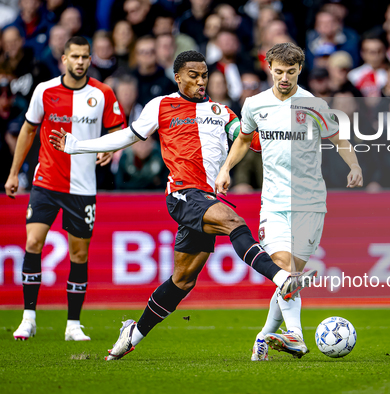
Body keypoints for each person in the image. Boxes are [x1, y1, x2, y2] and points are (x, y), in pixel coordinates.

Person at [48, 50, 315, 361]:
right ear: (178, 77)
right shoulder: (160, 106)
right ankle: (282, 279)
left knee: (183, 280)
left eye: (204, 75)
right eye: (193, 75)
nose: (201, 81)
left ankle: (132, 335)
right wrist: (77, 146)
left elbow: (250, 141)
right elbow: (125, 137)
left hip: (209, 198)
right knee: (235, 223)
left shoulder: (221, 111)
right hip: (183, 194)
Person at [215, 42, 363, 360]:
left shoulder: (312, 104)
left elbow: (338, 138)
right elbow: (243, 139)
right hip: (273, 202)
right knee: (284, 269)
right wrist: (226, 168)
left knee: (291, 275)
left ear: (299, 70)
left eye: (291, 72)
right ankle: (295, 335)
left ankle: (263, 337)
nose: (284, 78)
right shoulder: (255, 104)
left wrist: (354, 164)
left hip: (310, 203)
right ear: (269, 68)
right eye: (279, 71)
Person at [5, 36, 127, 342]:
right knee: (33, 243)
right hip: (45, 181)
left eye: (85, 57)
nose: (81, 62)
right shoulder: (44, 91)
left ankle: (73, 324)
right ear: (64, 59)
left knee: (79, 255)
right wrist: (13, 173)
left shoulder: (102, 93)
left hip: (82, 187)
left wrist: (109, 150)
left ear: (90, 59)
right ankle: (28, 318)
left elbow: (118, 130)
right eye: (75, 56)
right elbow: (28, 129)